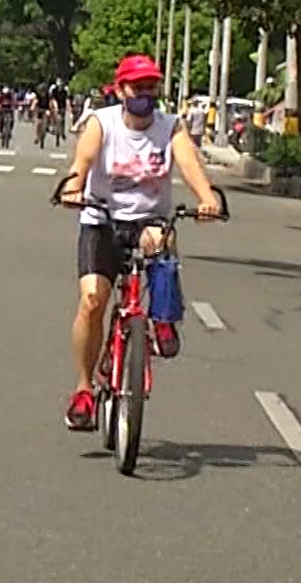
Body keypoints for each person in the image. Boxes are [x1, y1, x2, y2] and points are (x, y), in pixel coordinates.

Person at [57, 54, 223, 431]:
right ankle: (84, 389)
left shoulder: (171, 126)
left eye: (151, 87)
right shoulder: (103, 123)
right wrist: (73, 189)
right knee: (93, 300)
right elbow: (81, 163)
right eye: (137, 87)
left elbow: (189, 163)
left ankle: (163, 320)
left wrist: (207, 197)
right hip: (102, 220)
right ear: (120, 90)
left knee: (161, 242)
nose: (144, 94)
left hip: (148, 220)